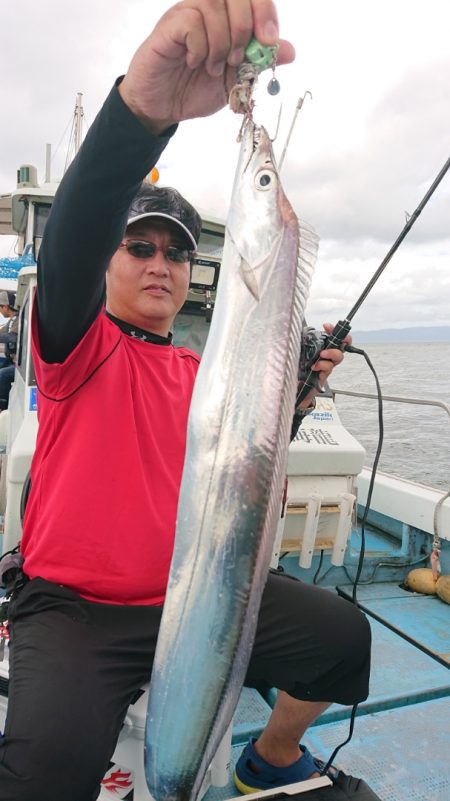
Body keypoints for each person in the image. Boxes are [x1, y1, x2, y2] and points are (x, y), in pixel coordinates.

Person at [0, 2, 371, 800]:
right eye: (139, 245)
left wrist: (295, 395)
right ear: (110, 258)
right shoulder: (74, 344)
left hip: (199, 595)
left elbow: (231, 461)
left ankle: (266, 759)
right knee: (39, 776)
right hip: (77, 614)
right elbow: (69, 239)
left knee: (344, 639)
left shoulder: (201, 370)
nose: (160, 262)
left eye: (177, 250)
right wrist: (142, 113)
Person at [0, 290, 18, 410]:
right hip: (10, 360)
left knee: (3, 374)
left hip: (19, 365)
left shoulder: (19, 319)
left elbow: (13, 337)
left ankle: (3, 406)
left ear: (6, 306)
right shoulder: (10, 322)